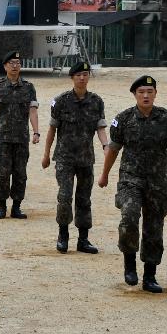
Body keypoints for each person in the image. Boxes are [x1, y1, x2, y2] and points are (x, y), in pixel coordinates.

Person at [98, 75, 167, 293]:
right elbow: (113, 150)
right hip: (130, 179)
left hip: (156, 182)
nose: (146, 95)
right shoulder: (123, 119)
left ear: (155, 93)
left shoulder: (166, 118)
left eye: (150, 91)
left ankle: (150, 276)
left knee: (154, 228)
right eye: (141, 92)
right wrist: (104, 175)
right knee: (129, 216)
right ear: (135, 94)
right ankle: (129, 265)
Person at [42, 62, 108, 254]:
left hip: (86, 159)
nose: (82, 78)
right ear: (72, 77)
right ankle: (63, 236)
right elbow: (52, 130)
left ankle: (83, 239)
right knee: (64, 197)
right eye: (78, 74)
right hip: (64, 158)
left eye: (85, 74)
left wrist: (106, 146)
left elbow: (100, 128)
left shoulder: (96, 101)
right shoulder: (61, 101)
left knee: (84, 199)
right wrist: (46, 155)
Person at [0, 50, 40, 219]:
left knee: (20, 174)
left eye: (17, 63)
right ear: (4, 66)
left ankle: (16, 206)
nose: (15, 66)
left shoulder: (29, 87)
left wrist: (36, 131)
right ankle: (1, 205)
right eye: (11, 63)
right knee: (3, 173)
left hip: (21, 138)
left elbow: (33, 111)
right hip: (2, 138)